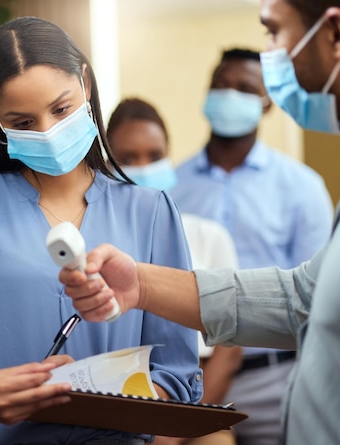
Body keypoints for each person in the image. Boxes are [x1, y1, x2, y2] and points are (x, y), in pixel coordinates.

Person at [59, 0, 340, 444]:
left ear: (336, 35)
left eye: (274, 33)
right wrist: (140, 284)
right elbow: (302, 297)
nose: (271, 55)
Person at [0, 16, 202, 445]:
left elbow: (179, 375)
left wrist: (120, 403)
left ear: (86, 84)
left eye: (61, 109)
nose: (48, 132)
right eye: (22, 122)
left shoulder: (151, 212)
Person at [169, 47, 334, 445]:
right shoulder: (171, 187)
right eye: (220, 86)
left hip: (275, 377)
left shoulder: (302, 187)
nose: (229, 95)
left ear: (267, 104)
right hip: (192, 378)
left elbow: (320, 298)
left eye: (244, 88)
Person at [107, 97, 242, 445]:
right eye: (127, 159)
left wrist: (182, 426)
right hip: (113, 407)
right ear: (106, 164)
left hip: (195, 409)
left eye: (154, 156)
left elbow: (229, 348)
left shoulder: (208, 235)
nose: (143, 167)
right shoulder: (96, 244)